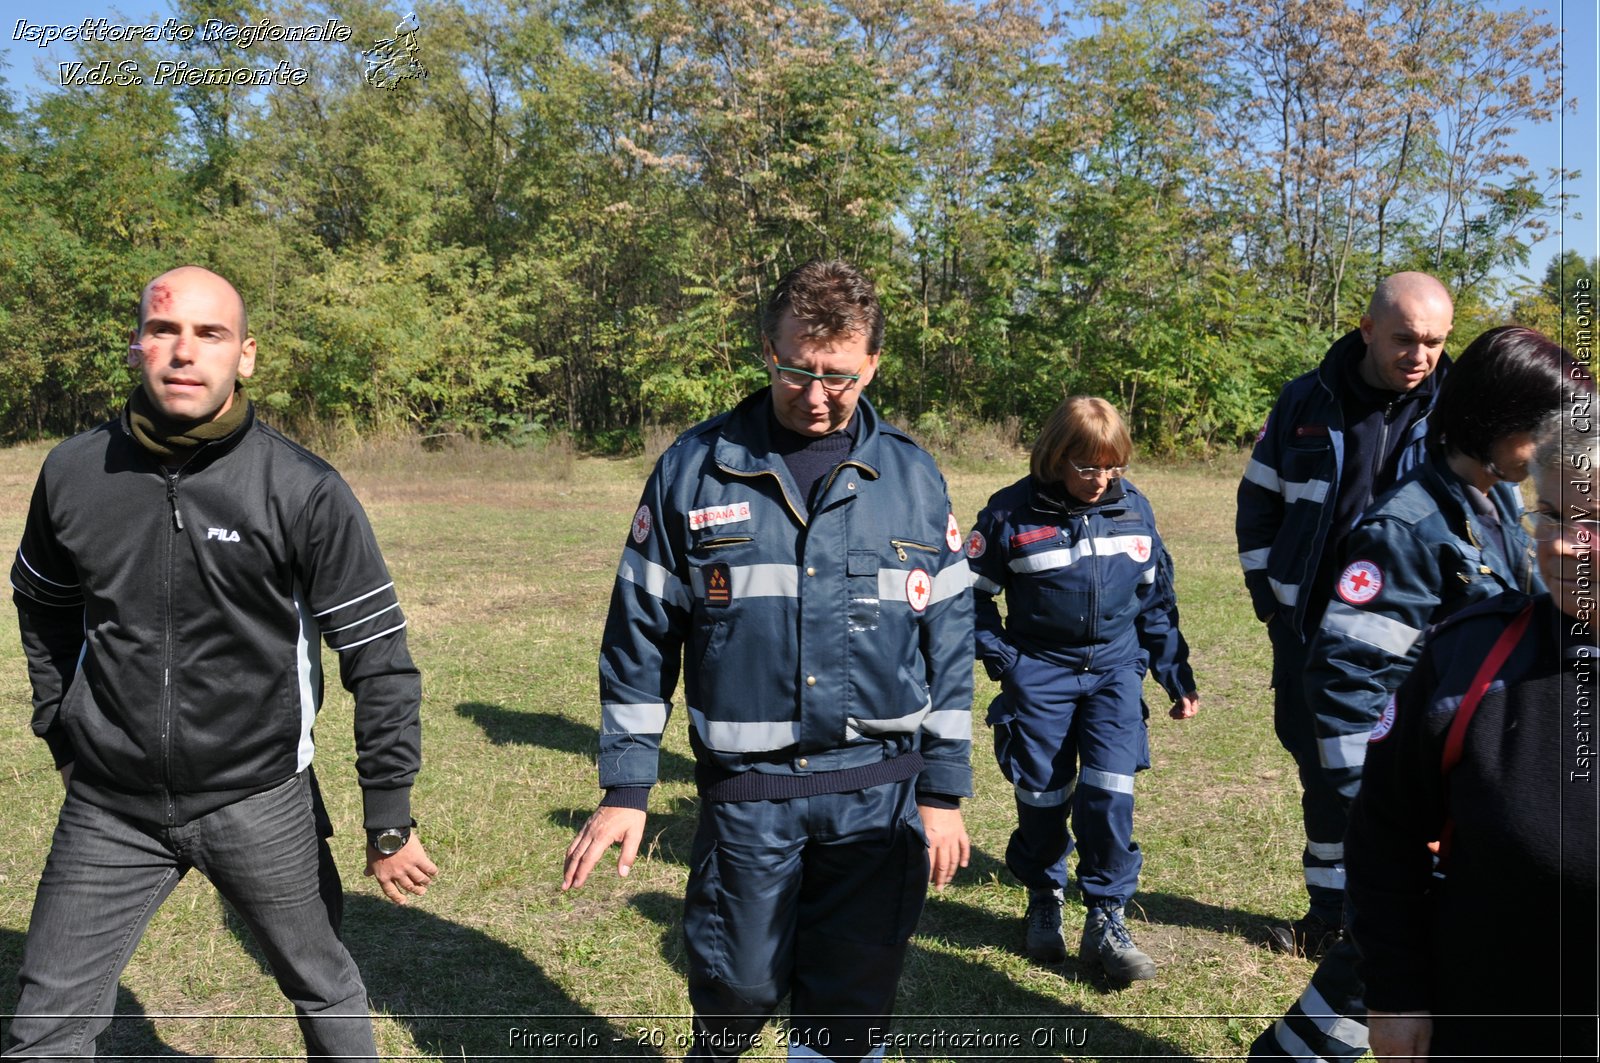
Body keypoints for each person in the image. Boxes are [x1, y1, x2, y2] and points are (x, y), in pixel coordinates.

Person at [5, 266, 438, 1061]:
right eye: (165, 331)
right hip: (110, 804)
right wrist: (61, 723)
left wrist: (389, 814)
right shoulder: (72, 473)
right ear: (137, 345)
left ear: (245, 355)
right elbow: (41, 600)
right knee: (42, 1029)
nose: (183, 352)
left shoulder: (302, 487)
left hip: (259, 796)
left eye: (209, 334)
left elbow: (378, 656)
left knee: (324, 984)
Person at [560, 259, 973, 1063]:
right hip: (750, 800)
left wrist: (945, 791)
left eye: (839, 377)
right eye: (796, 370)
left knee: (849, 1008)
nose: (816, 395)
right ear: (766, 350)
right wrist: (627, 786)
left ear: (874, 365)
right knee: (736, 991)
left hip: (876, 797)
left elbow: (948, 645)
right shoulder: (695, 467)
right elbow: (640, 634)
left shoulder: (915, 479)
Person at [1250, 325, 1579, 1062]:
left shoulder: (1493, 503)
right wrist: (1388, 810)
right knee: (1379, 972)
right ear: (1500, 425)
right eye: (1543, 435)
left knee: (1371, 972)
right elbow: (1342, 687)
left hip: (1448, 801)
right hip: (1407, 806)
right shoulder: (1408, 526)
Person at [1347, 408, 1598, 1062]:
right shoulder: (1469, 656)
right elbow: (1385, 826)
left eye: (1593, 523)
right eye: (1554, 516)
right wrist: (1396, 993)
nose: (1568, 544)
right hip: (1488, 1024)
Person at [1236, 271, 1454, 957]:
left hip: (1414, 645)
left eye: (1435, 342)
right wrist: (1272, 602)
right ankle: (1328, 915)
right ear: (1366, 330)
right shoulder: (1305, 399)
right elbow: (1258, 501)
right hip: (1311, 638)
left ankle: (1405, 916)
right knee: (1324, 780)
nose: (1420, 356)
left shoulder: (1459, 414)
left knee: (1411, 786)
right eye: (1405, 339)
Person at [967, 396, 1197, 982]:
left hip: (1116, 675)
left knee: (1109, 795)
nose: (1101, 480)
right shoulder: (1009, 514)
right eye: (1088, 467)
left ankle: (1107, 916)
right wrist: (1007, 661)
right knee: (1042, 796)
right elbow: (966, 599)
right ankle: (1045, 896)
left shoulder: (1135, 510)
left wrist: (1174, 673)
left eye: (1113, 467)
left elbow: (1156, 602)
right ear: (1055, 456)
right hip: (1039, 674)